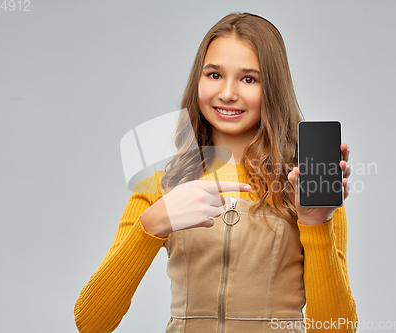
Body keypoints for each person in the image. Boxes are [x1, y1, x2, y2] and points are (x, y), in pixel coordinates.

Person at [74, 12, 357, 333]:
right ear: (198, 80)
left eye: (249, 78)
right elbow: (91, 323)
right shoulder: (160, 188)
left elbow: (337, 330)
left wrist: (316, 224)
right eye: (214, 75)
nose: (227, 93)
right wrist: (153, 224)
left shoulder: (306, 191)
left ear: (273, 88)